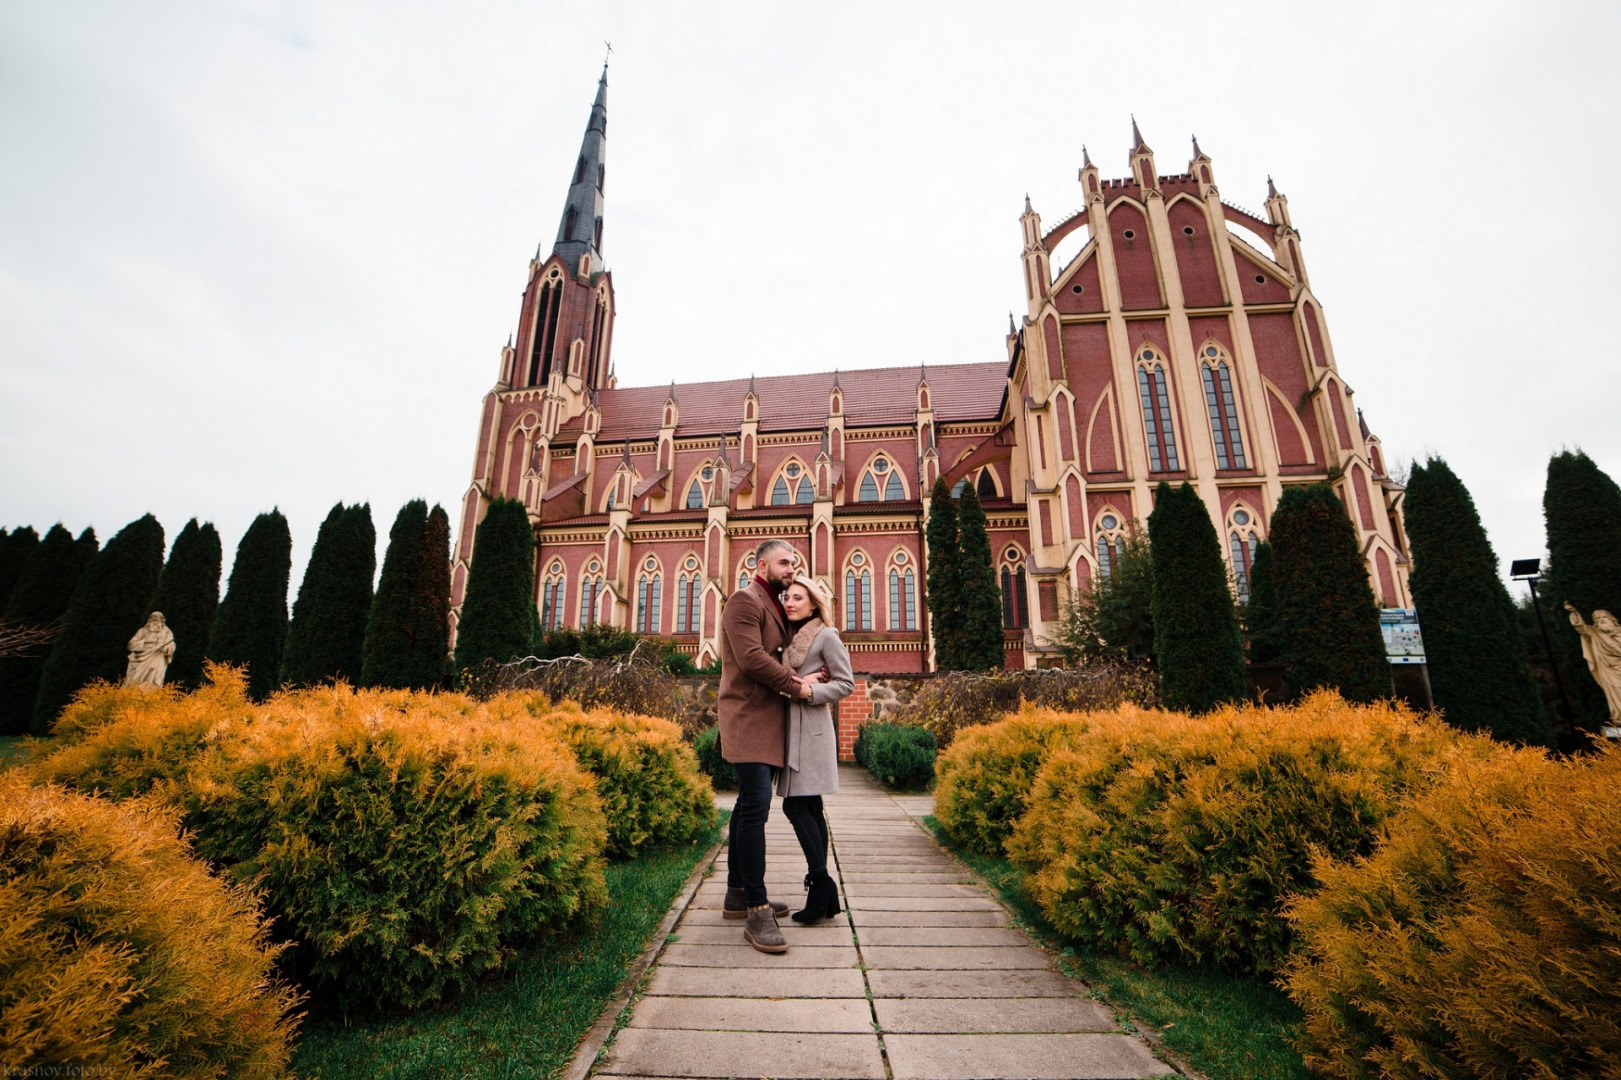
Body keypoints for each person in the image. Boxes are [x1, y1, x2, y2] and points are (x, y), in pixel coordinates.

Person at [718, 538, 823, 954]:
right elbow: (751, 659)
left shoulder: (773, 604)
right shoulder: (744, 600)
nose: (791, 568)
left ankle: (736, 893)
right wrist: (797, 685)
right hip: (747, 718)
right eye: (784, 561)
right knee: (756, 807)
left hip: (767, 720)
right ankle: (756, 908)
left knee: (747, 806)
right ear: (761, 565)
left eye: (794, 562)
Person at [778, 574, 854, 922]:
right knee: (809, 807)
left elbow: (845, 683)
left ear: (813, 603)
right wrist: (798, 681)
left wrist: (808, 690)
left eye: (797, 598)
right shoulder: (788, 639)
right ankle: (824, 893)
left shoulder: (826, 635)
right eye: (787, 597)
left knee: (796, 808)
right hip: (790, 731)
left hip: (811, 732)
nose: (790, 603)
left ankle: (821, 883)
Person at [123, 611, 175, 688]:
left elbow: (171, 645)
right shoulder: (143, 631)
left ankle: (150, 696)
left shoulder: (166, 633)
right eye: (153, 621)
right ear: (149, 621)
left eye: (157, 621)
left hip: (156, 658)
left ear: (162, 622)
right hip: (140, 659)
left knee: (153, 679)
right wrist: (145, 642)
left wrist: (165, 648)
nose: (155, 623)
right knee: (134, 679)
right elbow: (131, 645)